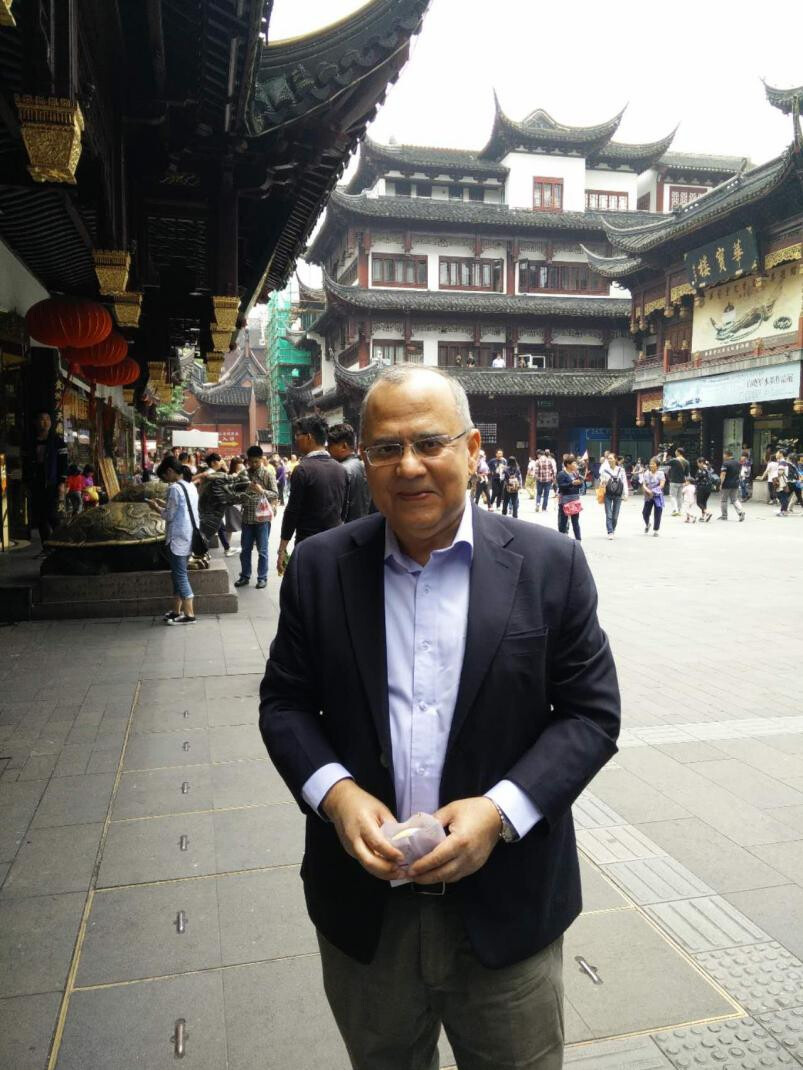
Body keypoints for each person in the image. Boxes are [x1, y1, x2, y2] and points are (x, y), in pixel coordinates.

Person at [259, 363, 620, 1070]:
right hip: (365, 913)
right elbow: (286, 703)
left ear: (473, 449)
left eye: (430, 443)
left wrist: (500, 811)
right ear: (364, 458)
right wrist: (336, 794)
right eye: (386, 449)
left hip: (507, 911)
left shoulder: (550, 566)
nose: (410, 466)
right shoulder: (321, 568)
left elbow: (589, 714)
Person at [277, 415, 347, 576]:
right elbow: (343, 510)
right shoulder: (340, 469)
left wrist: (282, 549)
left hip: (308, 545)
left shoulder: (303, 470)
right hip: (335, 543)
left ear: (308, 437)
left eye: (297, 435)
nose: (296, 440)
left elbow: (292, 512)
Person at [148, 455, 200, 624]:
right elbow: (182, 510)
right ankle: (176, 611)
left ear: (169, 471)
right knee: (177, 575)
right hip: (189, 535)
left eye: (164, 477)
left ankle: (189, 614)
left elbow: (170, 515)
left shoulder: (174, 489)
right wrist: (164, 505)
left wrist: (156, 507)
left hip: (177, 538)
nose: (165, 481)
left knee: (180, 576)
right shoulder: (190, 486)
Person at [234, 445, 278, 589]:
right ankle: (245, 576)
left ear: (261, 460)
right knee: (245, 549)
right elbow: (236, 494)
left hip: (262, 519)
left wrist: (261, 490)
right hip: (247, 518)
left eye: (256, 462)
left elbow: (276, 494)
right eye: (251, 462)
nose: (253, 465)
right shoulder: (243, 475)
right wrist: (242, 495)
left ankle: (262, 578)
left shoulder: (267, 474)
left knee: (263, 551)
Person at [27, 410, 68, 549]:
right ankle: (47, 546)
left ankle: (61, 544)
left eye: (48, 419)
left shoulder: (57, 442)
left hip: (51, 482)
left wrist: (61, 483)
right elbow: (26, 463)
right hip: (36, 482)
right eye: (42, 419)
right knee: (40, 517)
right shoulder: (30, 442)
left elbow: (63, 464)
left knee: (52, 516)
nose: (45, 422)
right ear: (36, 422)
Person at [196, 453, 249, 557]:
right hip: (209, 510)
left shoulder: (214, 474)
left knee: (217, 528)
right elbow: (223, 488)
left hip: (211, 509)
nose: (222, 462)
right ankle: (201, 553)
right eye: (220, 461)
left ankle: (224, 548)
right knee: (207, 532)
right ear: (214, 462)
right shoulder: (211, 474)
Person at [327, 423, 373, 522]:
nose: (328, 450)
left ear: (344, 446)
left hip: (347, 528)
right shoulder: (366, 466)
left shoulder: (341, 470)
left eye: (331, 446)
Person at [600, 454, 627, 539]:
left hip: (618, 494)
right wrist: (602, 483)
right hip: (607, 494)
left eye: (611, 458)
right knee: (609, 514)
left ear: (615, 459)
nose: (609, 460)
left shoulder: (621, 470)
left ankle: (613, 528)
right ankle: (610, 531)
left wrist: (625, 494)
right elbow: (602, 480)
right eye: (608, 459)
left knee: (615, 515)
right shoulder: (605, 470)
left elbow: (624, 482)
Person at [557, 453, 583, 540]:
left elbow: (579, 486)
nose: (576, 465)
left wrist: (579, 482)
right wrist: (571, 483)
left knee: (575, 522)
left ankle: (578, 539)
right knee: (563, 522)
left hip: (575, 500)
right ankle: (562, 538)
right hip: (565, 501)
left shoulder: (576, 473)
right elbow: (561, 486)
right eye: (574, 463)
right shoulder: (561, 474)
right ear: (568, 465)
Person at [719, 450, 746, 521]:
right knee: (734, 499)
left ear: (726, 455)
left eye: (724, 455)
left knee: (723, 500)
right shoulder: (738, 463)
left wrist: (720, 483)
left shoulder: (725, 464)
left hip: (726, 484)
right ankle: (741, 512)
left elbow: (723, 474)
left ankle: (724, 516)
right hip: (735, 484)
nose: (723, 456)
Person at [641, 459, 665, 536]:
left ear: (657, 465)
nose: (651, 465)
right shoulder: (646, 473)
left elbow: (662, 484)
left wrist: (654, 491)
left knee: (658, 512)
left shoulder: (660, 473)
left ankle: (656, 530)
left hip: (657, 495)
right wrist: (648, 490)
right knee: (645, 513)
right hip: (648, 495)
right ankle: (647, 524)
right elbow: (644, 484)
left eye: (653, 464)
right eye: (650, 464)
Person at [667, 448, 690, 516]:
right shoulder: (686, 462)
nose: (675, 452)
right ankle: (680, 510)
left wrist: (665, 455)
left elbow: (664, 463)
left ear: (678, 452)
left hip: (674, 481)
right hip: (682, 481)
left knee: (672, 496)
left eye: (676, 451)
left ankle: (675, 510)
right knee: (680, 497)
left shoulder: (674, 460)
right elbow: (686, 474)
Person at [694, 458, 714, 522]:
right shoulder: (710, 469)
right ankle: (703, 516)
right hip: (709, 488)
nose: (697, 464)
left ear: (702, 463)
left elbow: (697, 480)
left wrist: (695, 488)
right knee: (704, 502)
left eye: (698, 463)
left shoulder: (701, 470)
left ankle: (707, 512)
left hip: (701, 488)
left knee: (699, 502)